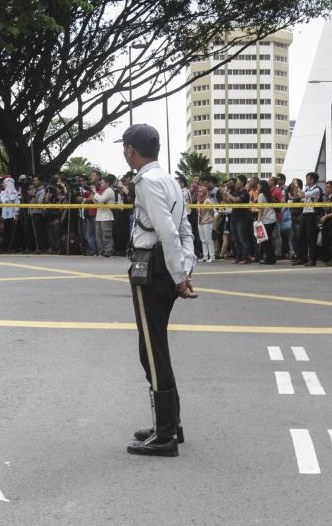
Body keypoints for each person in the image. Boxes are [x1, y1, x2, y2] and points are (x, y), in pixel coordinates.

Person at [117, 123, 196, 457]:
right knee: (156, 348)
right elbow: (184, 229)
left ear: (131, 150)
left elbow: (166, 231)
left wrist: (179, 275)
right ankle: (170, 424)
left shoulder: (147, 182)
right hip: (165, 267)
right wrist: (186, 267)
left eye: (125, 147)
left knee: (151, 351)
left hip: (152, 267)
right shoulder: (170, 181)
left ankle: (165, 435)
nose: (124, 151)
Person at [295, 172, 321, 267]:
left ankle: (313, 259)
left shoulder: (316, 189)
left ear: (312, 180)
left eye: (307, 179)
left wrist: (297, 185)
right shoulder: (306, 188)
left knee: (311, 237)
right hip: (305, 213)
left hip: (312, 214)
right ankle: (302, 257)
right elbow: (297, 197)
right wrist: (295, 188)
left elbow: (302, 195)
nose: (306, 181)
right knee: (301, 236)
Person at [224, 175, 251, 264]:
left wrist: (228, 194)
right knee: (235, 239)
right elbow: (229, 202)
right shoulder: (235, 191)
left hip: (242, 218)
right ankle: (238, 257)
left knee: (242, 238)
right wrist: (225, 194)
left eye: (237, 181)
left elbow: (236, 200)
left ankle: (245, 257)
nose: (236, 183)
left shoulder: (245, 192)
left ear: (242, 183)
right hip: (234, 217)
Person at [254, 179, 277, 265]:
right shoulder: (268, 194)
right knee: (268, 240)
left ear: (261, 186)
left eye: (259, 185)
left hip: (266, 220)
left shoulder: (260, 195)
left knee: (265, 241)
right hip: (272, 220)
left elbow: (261, 209)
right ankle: (271, 258)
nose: (257, 186)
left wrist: (259, 220)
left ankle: (270, 259)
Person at [93, 174, 116, 257]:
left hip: (106, 216)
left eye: (102, 183)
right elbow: (97, 202)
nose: (100, 184)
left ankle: (109, 250)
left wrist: (95, 192)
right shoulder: (104, 191)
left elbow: (101, 200)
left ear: (107, 183)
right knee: (98, 234)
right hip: (99, 215)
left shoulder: (109, 191)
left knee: (106, 235)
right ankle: (102, 251)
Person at [197, 187, 215, 262]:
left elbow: (212, 211)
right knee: (203, 240)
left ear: (204, 192)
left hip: (207, 221)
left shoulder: (207, 201)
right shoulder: (198, 200)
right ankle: (205, 256)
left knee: (208, 240)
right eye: (199, 191)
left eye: (201, 191)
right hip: (200, 221)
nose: (199, 193)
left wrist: (210, 219)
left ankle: (212, 257)